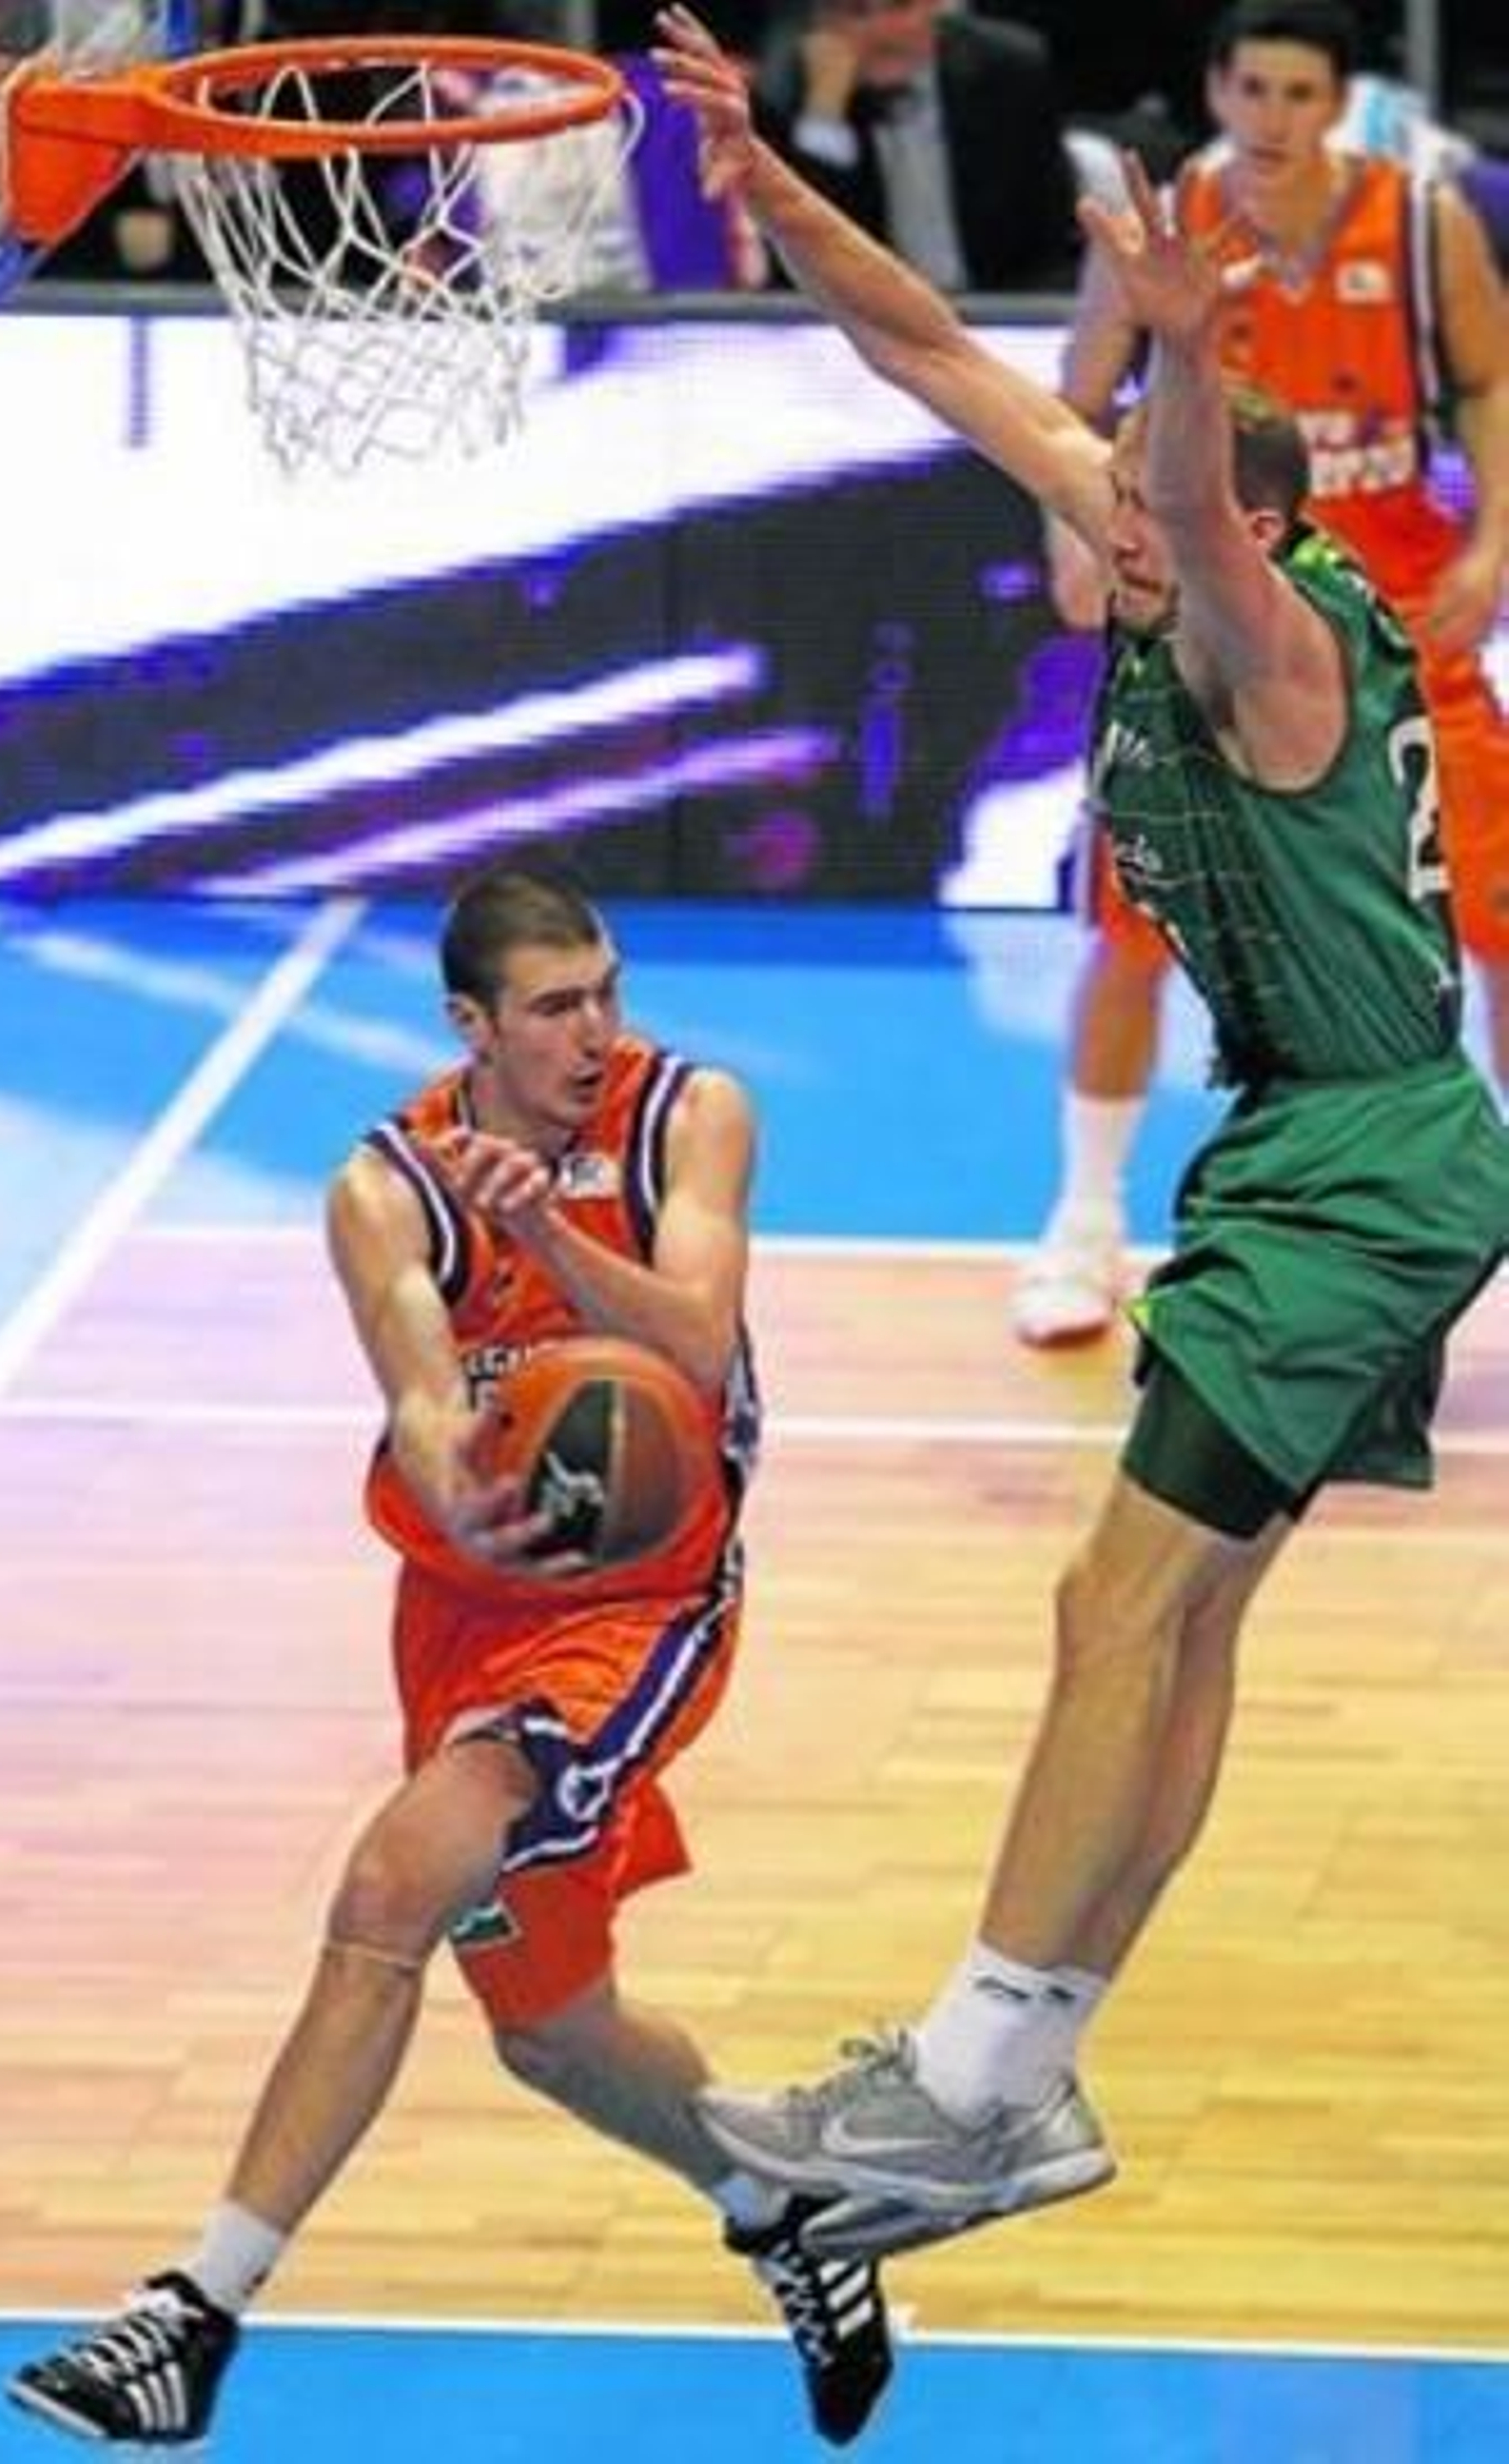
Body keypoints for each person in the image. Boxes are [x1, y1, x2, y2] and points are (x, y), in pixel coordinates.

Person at [653, 6, 1509, 2258]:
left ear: (1204, 524)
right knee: (1180, 1617)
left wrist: (1189, 356)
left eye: (1125, 492)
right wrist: (763, 176)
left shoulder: (1271, 640)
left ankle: (964, 2075)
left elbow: (1197, 510)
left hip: (1362, 1165)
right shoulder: (1154, 554)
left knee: (1105, 1599)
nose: (1086, 506)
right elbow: (930, 349)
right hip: (1330, 1155)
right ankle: (1020, 2075)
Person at [8, 866, 893, 2446]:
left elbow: (694, 1341)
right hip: (472, 1598)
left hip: (647, 1596)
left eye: (607, 990)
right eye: (556, 1006)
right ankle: (789, 2206)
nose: (595, 1029)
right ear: (470, 1023)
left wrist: (548, 1235)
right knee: (554, 2028)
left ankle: (191, 2314)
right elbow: (421, 1401)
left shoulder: (690, 1113)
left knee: (387, 1883)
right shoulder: (387, 1180)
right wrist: (460, 1493)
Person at [1013, 0, 1509, 1346]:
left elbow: (1492, 384)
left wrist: (1495, 540)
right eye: (1252, 89)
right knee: (1132, 925)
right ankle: (1086, 1220)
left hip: (1396, 620)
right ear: (1218, 91)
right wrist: (1074, 524)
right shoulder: (1171, 228)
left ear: (1335, 103)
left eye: (1301, 94)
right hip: (1206, 628)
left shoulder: (1419, 223)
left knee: (1500, 913)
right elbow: (1082, 383)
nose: (1273, 118)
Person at [754, 0, 1079, 292]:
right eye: (856, 11)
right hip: (879, 324)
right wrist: (825, 112)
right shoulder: (787, 91)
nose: (883, 32)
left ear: (936, 6)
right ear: (822, 21)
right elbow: (800, 263)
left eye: (901, 6)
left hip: (1003, 307)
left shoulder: (1008, 70)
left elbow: (1053, 241)